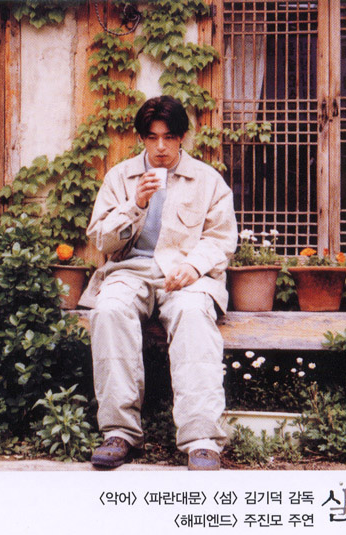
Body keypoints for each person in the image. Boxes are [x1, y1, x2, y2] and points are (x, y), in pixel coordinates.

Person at [78, 95, 238, 470]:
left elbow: (220, 238)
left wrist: (195, 266)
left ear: (181, 137)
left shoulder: (207, 180)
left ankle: (202, 440)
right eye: (152, 138)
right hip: (129, 271)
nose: (161, 147)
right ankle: (119, 433)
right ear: (142, 139)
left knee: (193, 314)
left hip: (184, 275)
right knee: (109, 310)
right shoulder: (120, 178)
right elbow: (101, 240)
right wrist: (134, 205)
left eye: (169, 137)